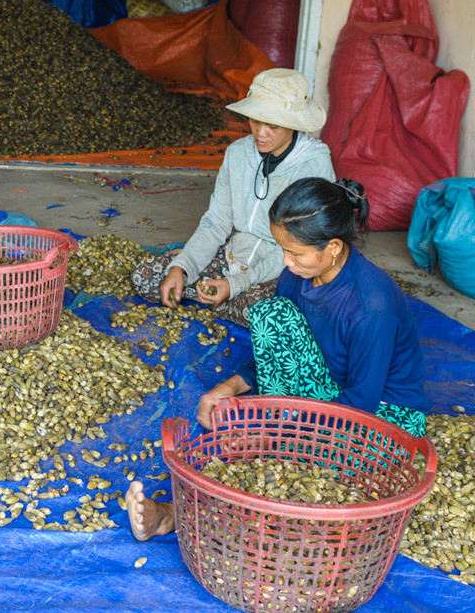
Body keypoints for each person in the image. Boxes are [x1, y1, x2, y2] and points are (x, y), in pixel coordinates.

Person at [125, 177, 429, 541]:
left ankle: (179, 513)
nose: (286, 262)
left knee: (293, 473)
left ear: (332, 247)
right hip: (329, 389)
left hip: (379, 416)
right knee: (271, 314)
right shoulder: (297, 277)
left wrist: (276, 437)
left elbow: (359, 404)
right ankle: (212, 491)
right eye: (282, 249)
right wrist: (229, 387)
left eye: (296, 253)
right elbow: (275, 347)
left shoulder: (370, 308)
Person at [131, 68, 335, 327]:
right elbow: (216, 222)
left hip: (282, 267)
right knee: (146, 277)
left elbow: (301, 246)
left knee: (266, 317)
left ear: (293, 123)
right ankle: (219, 298)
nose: (260, 132)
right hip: (234, 256)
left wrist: (235, 284)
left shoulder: (313, 165)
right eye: (255, 120)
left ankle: (220, 297)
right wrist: (182, 267)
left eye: (272, 125)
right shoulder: (237, 153)